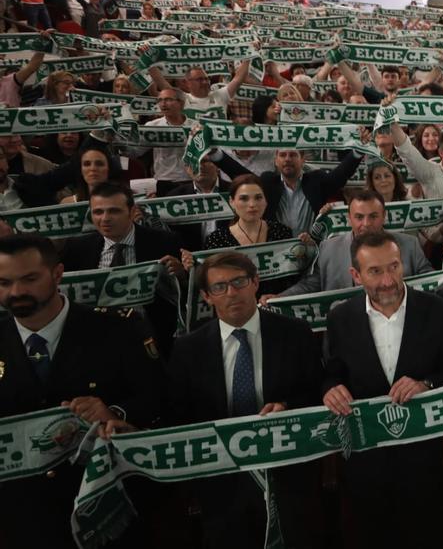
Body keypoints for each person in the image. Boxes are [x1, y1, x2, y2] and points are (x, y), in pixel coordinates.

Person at [0, 234, 166, 549]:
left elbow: (159, 398)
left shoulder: (119, 330)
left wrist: (115, 414)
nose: (16, 292)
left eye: (29, 279)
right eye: (4, 282)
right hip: (21, 515)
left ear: (58, 274)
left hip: (107, 508)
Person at [166, 251, 323, 546]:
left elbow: (316, 393)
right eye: (219, 287)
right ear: (206, 296)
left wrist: (288, 407)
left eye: (239, 282)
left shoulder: (296, 334)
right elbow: (179, 415)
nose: (231, 293)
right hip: (221, 485)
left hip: (286, 478)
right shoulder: (188, 349)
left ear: (255, 282)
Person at [322, 231, 443, 548]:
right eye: (375, 271)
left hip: (423, 458)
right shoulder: (341, 318)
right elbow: (332, 374)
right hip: (365, 461)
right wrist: (330, 389)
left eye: (394, 267)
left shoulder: (437, 311)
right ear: (355, 275)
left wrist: (426, 384)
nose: (388, 280)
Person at [60, 181, 186, 355]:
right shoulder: (77, 248)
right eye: (98, 212)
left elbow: (185, 294)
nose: (105, 219)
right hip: (95, 340)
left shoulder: (166, 242)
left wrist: (181, 275)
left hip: (153, 338)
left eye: (114, 211)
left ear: (132, 211)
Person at [263, 189, 431, 301]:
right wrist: (280, 298)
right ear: (349, 218)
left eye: (373, 216)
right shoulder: (328, 248)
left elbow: (432, 283)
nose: (366, 223)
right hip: (344, 331)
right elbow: (311, 285)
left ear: (384, 216)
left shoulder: (410, 245)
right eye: (359, 217)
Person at [212, 141, 365, 237]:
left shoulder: (316, 180)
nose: (287, 159)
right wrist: (215, 154)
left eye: (293, 155)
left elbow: (340, 175)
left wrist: (359, 151)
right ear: (276, 160)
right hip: (277, 251)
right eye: (283, 155)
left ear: (303, 159)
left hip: (313, 248)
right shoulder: (268, 182)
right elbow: (239, 174)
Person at [165, 156, 229, 251]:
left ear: (218, 166)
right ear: (186, 168)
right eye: (194, 161)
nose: (199, 166)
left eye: (205, 161)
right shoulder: (174, 197)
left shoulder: (234, 192)